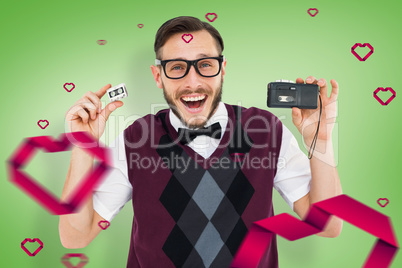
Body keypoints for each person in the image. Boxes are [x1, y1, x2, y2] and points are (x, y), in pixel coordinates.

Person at [59, 16, 342, 268]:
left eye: (205, 65)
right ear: (158, 76)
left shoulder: (268, 130)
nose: (192, 82)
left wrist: (322, 139)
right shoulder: (133, 139)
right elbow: (75, 236)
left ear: (222, 69)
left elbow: (328, 225)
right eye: (177, 67)